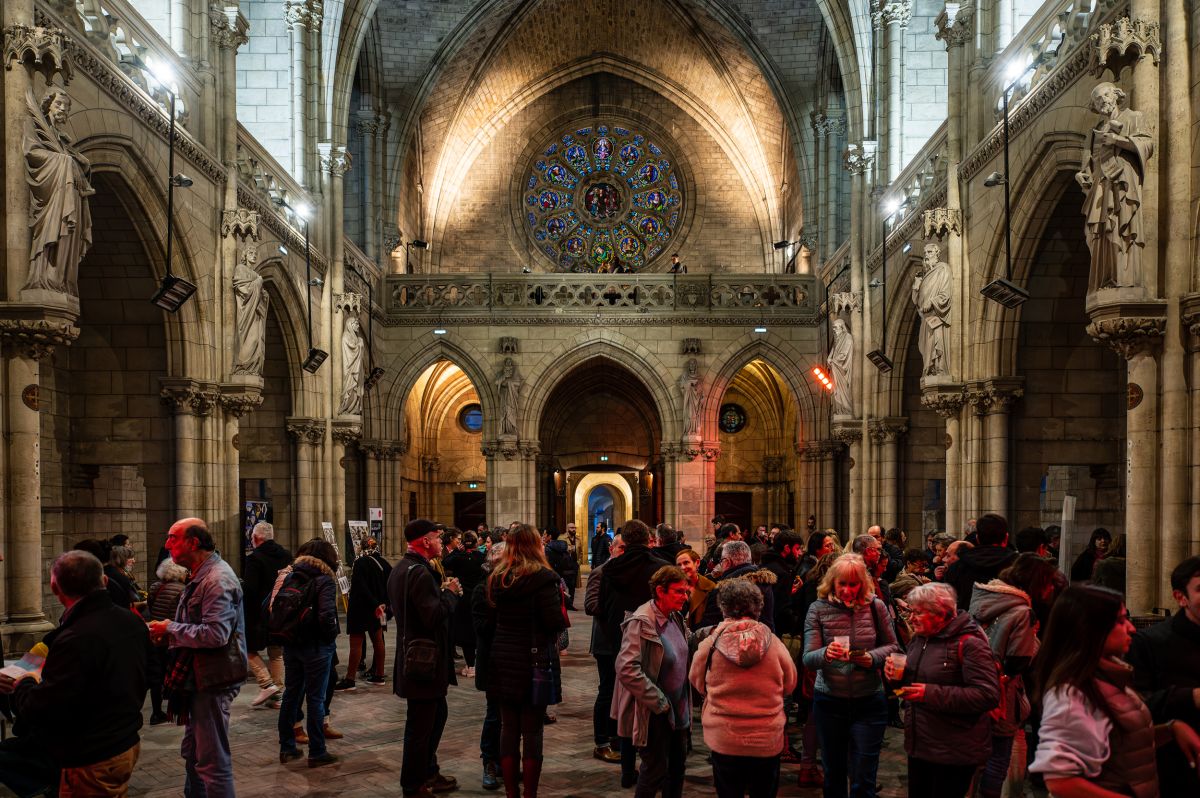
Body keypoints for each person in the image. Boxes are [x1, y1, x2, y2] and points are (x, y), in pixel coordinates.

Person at [0, 550, 148, 795]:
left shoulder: (75, 638)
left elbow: (44, 707)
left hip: (90, 754)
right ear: (105, 582)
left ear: (55, 589)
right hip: (124, 741)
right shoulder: (131, 621)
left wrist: (25, 682)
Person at [1030, 584, 1200, 795]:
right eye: (1120, 621)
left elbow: (1121, 746)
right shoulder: (1072, 694)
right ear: (1091, 629)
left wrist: (1171, 729)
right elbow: (1061, 780)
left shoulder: (1111, 678)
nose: (1131, 628)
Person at [148, 518, 247, 798]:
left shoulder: (217, 579)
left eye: (172, 538)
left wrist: (170, 628)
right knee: (194, 754)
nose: (167, 544)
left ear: (193, 542)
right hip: (199, 676)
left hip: (213, 679)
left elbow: (216, 634)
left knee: (213, 762)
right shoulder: (199, 574)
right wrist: (169, 633)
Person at [883, 582, 1000, 798]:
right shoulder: (920, 639)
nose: (911, 618)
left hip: (953, 749)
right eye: (911, 612)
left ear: (940, 613)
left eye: (917, 613)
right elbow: (914, 682)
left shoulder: (970, 643)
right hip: (920, 744)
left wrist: (930, 693)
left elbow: (987, 695)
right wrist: (895, 678)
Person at [801, 553, 898, 798]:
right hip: (830, 700)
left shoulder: (875, 606)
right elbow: (808, 658)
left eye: (853, 584)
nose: (847, 590)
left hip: (869, 699)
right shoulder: (818, 609)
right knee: (833, 773)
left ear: (863, 584)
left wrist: (872, 658)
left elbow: (892, 646)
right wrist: (827, 653)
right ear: (832, 582)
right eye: (842, 584)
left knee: (864, 775)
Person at [691, 579, 797, 798]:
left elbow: (696, 681)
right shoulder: (774, 643)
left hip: (725, 737)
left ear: (723, 607)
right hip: (765, 737)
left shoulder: (710, 645)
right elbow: (790, 683)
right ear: (758, 607)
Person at [483, 524, 569, 798]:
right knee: (532, 732)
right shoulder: (544, 578)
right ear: (536, 546)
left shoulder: (498, 577)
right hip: (534, 660)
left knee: (508, 728)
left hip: (502, 659)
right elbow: (553, 621)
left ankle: (511, 793)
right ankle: (529, 793)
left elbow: (492, 619)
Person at [968, 554, 1058, 798]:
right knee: (1000, 756)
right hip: (1002, 694)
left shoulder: (986, 598)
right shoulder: (1022, 612)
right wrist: (1036, 642)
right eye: (1048, 583)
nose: (1050, 589)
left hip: (974, 686)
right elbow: (1018, 660)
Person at [388, 519, 463, 798]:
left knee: (436, 715)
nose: (441, 542)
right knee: (420, 728)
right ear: (424, 541)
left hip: (416, 657)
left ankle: (429, 771)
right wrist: (450, 594)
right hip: (423, 662)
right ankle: (413, 786)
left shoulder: (402, 569)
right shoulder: (418, 572)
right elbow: (432, 616)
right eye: (437, 537)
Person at [599, 520, 670, 785]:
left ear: (624, 542)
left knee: (628, 707)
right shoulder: (660, 568)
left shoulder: (610, 569)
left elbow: (604, 607)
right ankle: (656, 768)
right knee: (654, 701)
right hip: (655, 644)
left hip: (621, 641)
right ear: (649, 539)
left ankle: (627, 772)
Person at [613, 565, 693, 797]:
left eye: (686, 592)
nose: (685, 597)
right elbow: (627, 668)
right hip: (655, 712)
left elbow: (686, 644)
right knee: (655, 771)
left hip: (677, 709)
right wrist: (658, 701)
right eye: (679, 592)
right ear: (660, 591)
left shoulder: (674, 616)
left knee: (677, 769)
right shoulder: (642, 621)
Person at [1126, 555, 1200, 795]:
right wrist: (1191, 697)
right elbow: (1136, 704)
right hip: (1176, 763)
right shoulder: (1149, 643)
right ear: (1181, 598)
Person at [274, 539, 341, 768]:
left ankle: (287, 747)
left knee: (291, 695)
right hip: (316, 647)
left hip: (291, 644)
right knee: (316, 699)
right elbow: (326, 616)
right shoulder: (325, 580)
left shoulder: (291, 575)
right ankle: (317, 751)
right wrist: (330, 637)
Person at [585, 534, 626, 766]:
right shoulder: (601, 572)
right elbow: (591, 605)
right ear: (611, 548)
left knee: (622, 691)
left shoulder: (628, 572)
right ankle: (602, 741)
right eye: (620, 547)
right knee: (607, 690)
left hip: (625, 640)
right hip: (606, 641)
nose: (623, 551)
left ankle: (618, 736)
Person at [243, 521, 292, 706]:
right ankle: (278, 695)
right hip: (281, 611)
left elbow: (250, 589)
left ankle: (266, 683)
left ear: (255, 538)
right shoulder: (286, 555)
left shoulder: (254, 558)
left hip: (258, 613)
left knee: (246, 647)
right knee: (276, 651)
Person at [471, 541, 506, 790]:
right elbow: (482, 629)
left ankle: (505, 760)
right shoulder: (482, 590)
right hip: (493, 661)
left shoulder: (513, 587)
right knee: (494, 715)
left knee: (510, 717)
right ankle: (489, 762)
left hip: (513, 661)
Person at [337, 537, 392, 689]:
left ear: (362, 547)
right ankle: (379, 675)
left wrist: (374, 603)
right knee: (378, 641)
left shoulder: (360, 562)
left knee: (356, 644)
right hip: (378, 609)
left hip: (361, 609)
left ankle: (350, 679)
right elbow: (391, 584)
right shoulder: (384, 562)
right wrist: (384, 604)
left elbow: (360, 587)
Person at [146, 557, 189, 725]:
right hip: (171, 635)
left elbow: (151, 608)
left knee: (156, 675)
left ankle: (156, 712)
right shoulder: (182, 590)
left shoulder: (155, 587)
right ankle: (175, 708)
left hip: (155, 635)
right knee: (173, 672)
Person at [699, 540, 777, 631]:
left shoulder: (722, 590)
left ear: (727, 562)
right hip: (765, 640)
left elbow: (709, 627)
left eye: (721, 561)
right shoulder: (764, 582)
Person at [943, 513, 1016, 609]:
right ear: (1006, 538)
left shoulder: (957, 567)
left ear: (977, 538)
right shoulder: (1018, 565)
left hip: (968, 621)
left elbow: (948, 605)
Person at [443, 531, 484, 679]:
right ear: (475, 543)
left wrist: (456, 551)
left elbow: (445, 562)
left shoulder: (458, 558)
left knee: (466, 632)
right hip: (479, 598)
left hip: (463, 599)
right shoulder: (481, 557)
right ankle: (478, 664)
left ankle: (470, 665)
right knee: (478, 630)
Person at [759, 530, 805, 635]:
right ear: (787, 548)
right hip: (774, 630)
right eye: (797, 549)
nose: (800, 553)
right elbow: (781, 608)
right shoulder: (783, 573)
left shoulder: (765, 563)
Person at [675, 548, 716, 629]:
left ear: (697, 563)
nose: (682, 567)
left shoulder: (711, 588)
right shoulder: (672, 588)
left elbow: (711, 621)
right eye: (679, 565)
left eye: (686, 563)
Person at [542, 527, 578, 611]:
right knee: (567, 590)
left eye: (544, 534)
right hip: (567, 572)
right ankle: (568, 603)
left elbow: (549, 564)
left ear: (549, 536)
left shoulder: (547, 548)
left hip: (556, 574)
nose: (543, 536)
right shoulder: (563, 544)